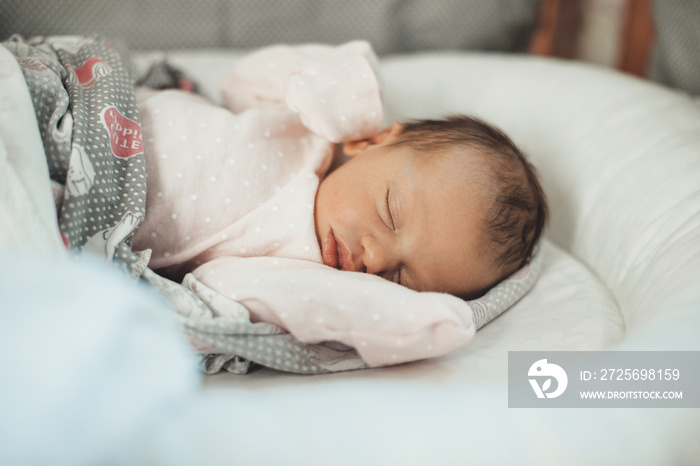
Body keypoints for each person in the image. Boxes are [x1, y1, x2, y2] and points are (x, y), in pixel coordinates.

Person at [132, 41, 547, 300]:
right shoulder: (308, 129)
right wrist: (337, 98)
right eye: (390, 212)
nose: (377, 257)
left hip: (97, 207)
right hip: (108, 109)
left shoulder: (308, 276)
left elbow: (218, 290)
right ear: (373, 141)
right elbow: (240, 82)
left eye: (402, 279)